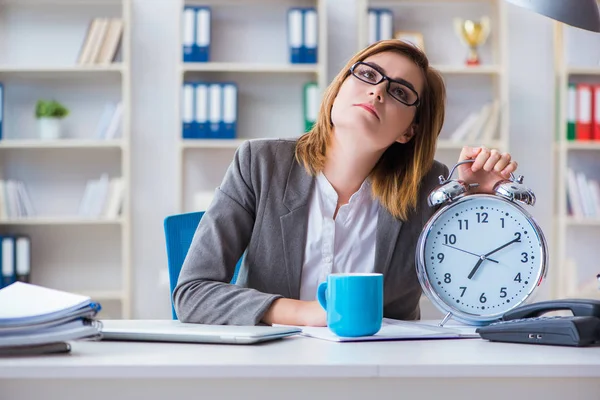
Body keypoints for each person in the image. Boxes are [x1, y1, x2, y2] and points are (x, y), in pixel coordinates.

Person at [173, 39, 518, 326]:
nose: (378, 91)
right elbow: (193, 293)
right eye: (368, 74)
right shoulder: (260, 164)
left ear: (408, 131)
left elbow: (479, 304)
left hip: (377, 374)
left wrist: (476, 205)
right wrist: (310, 314)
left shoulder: (429, 187)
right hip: (270, 368)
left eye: (400, 92)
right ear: (338, 88)